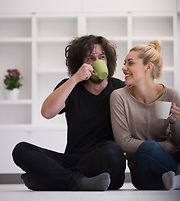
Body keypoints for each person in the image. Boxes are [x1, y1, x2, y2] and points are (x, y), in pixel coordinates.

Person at [12, 35, 126, 191]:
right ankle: (77, 182)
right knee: (21, 150)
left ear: (108, 61)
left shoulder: (119, 88)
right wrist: (75, 78)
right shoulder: (71, 86)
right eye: (90, 58)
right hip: (73, 160)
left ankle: (52, 180)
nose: (97, 62)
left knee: (113, 150)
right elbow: (47, 112)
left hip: (106, 163)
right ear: (80, 63)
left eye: (102, 57)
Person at [110, 40, 180, 190]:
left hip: (170, 160)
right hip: (143, 169)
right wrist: (164, 147)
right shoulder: (119, 97)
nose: (124, 68)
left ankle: (177, 179)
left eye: (130, 63)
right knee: (149, 147)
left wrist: (175, 123)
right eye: (125, 63)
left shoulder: (171, 94)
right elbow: (124, 142)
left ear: (148, 67)